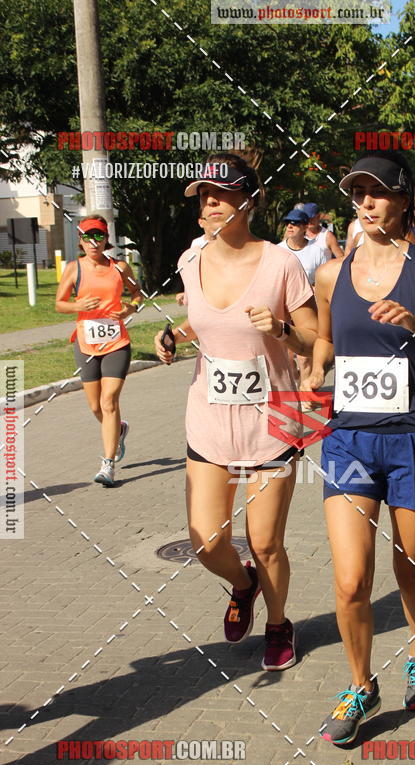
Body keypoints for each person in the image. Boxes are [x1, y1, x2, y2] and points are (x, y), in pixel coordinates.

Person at [302, 149, 415, 746]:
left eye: (378, 191)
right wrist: (314, 368)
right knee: (350, 581)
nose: (366, 202)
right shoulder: (329, 273)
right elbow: (324, 337)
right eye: (357, 192)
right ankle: (360, 684)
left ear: (405, 201)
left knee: (408, 568)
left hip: (414, 438)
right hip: (349, 439)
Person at [154, 153, 319, 671]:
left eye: (218, 194)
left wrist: (281, 329)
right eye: (202, 195)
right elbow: (205, 323)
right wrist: (171, 335)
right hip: (210, 418)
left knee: (267, 541)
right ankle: (242, 584)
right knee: (206, 542)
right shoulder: (190, 259)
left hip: (275, 420)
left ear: (247, 201)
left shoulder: (281, 264)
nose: (207, 203)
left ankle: (278, 624)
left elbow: (316, 342)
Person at [55, 215, 142, 486]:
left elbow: (137, 294)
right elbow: (59, 303)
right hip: (86, 343)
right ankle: (119, 428)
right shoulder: (74, 268)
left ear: (106, 239)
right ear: (80, 241)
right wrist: (79, 307)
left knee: (109, 400)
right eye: (88, 237)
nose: (94, 242)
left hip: (117, 342)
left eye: (99, 236)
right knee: (95, 405)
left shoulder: (120, 267)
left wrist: (130, 307)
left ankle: (108, 465)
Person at [278, 208, 327, 286]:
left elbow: (324, 282)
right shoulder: (278, 250)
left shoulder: (317, 251)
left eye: (294, 222)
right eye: (287, 222)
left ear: (305, 227)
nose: (290, 226)